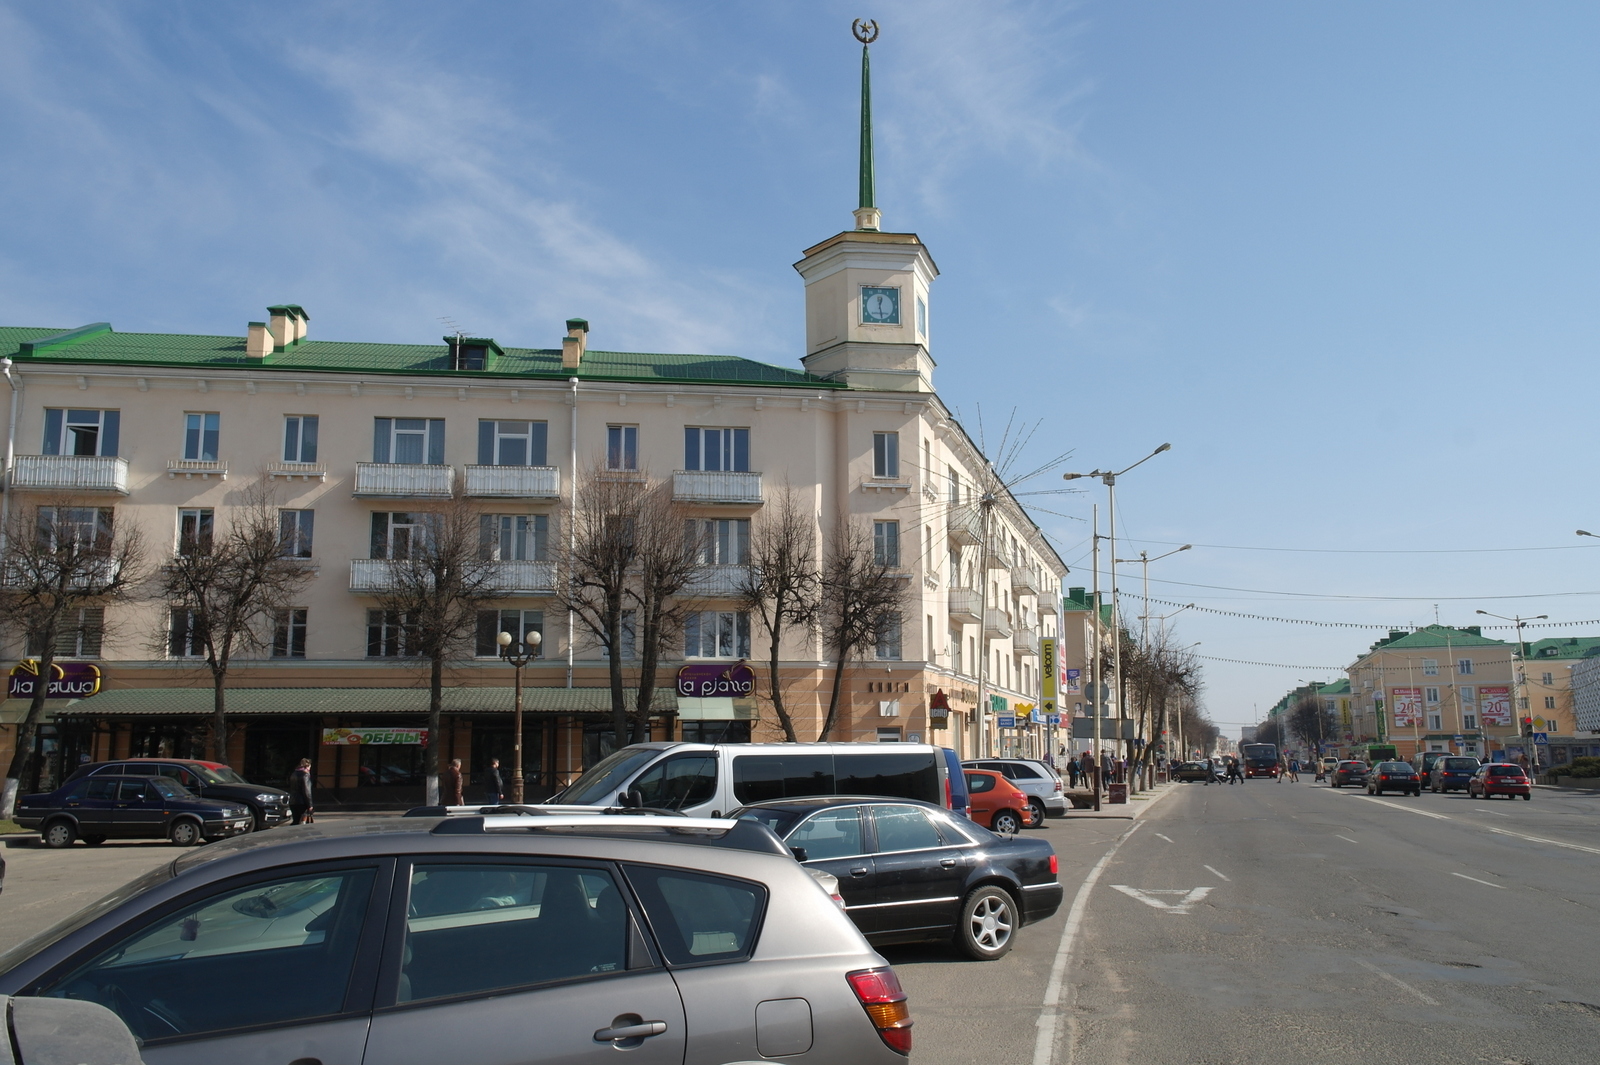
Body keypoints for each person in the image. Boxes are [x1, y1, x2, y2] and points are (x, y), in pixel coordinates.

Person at [288, 758, 314, 825]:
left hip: (293, 801)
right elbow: (307, 791)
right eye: (309, 767)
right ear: (307, 766)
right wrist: (310, 805)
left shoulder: (293, 774)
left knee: (295, 821)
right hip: (302, 802)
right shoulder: (305, 775)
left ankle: (292, 833)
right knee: (302, 822)